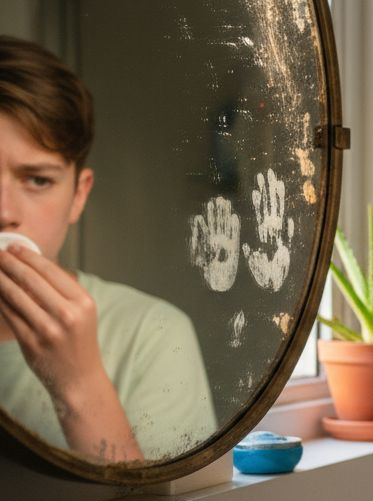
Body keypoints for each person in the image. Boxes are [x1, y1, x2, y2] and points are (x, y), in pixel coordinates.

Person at [0, 35, 215, 463]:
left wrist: (78, 383)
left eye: (38, 180)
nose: (5, 213)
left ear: (78, 196)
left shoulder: (152, 336)